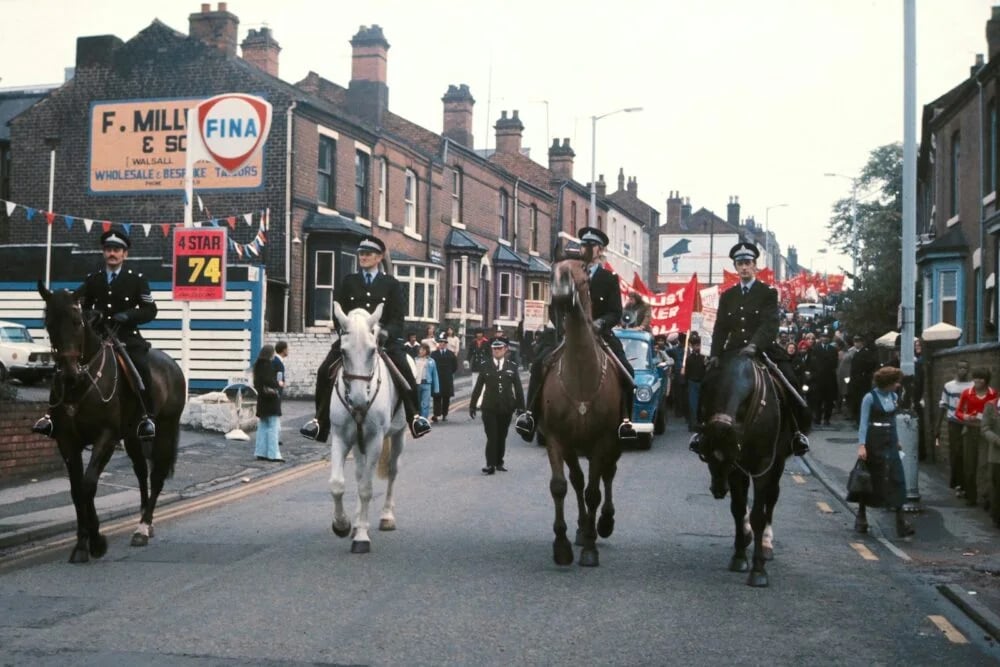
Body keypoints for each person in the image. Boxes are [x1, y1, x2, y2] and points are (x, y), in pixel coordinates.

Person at [299, 235, 432, 441]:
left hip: (384, 342)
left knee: (404, 370)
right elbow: (338, 313)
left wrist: (387, 333)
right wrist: (344, 332)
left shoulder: (391, 284)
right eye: (361, 253)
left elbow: (397, 318)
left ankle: (414, 417)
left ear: (379, 257)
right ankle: (319, 422)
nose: (363, 257)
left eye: (368, 254)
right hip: (354, 340)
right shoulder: (349, 281)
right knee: (324, 370)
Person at [33, 229, 157, 442]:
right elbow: (82, 306)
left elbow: (150, 309)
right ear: (103, 253)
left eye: (117, 250)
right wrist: (93, 314)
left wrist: (128, 315)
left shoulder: (136, 279)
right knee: (64, 365)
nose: (112, 254)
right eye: (109, 249)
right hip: (96, 335)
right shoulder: (93, 279)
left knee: (140, 367)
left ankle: (146, 417)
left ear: (124, 255)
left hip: (126, 336)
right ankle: (51, 416)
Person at [516, 226, 637, 441]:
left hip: (600, 334)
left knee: (627, 370)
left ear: (600, 251)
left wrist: (600, 323)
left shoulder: (609, 278)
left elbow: (616, 312)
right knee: (538, 365)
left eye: (591, 246)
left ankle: (625, 421)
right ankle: (530, 416)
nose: (587, 249)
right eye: (584, 245)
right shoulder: (567, 272)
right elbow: (554, 307)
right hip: (567, 333)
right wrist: (564, 327)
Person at [689, 242, 810, 457]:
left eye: (748, 263)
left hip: (763, 350)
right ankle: (702, 431)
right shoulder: (728, 295)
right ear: (735, 267)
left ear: (755, 266)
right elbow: (721, 327)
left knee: (790, 379)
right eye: (740, 264)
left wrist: (755, 345)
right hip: (733, 351)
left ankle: (797, 433)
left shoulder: (767, 293)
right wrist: (715, 354)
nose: (744, 268)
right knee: (708, 381)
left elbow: (769, 324)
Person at [854, 366, 914, 538]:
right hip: (874, 441)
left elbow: (893, 421)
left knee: (897, 478)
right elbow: (863, 423)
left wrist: (897, 440)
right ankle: (861, 515)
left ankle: (901, 521)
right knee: (870, 478)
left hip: (890, 441)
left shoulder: (894, 397)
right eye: (895, 382)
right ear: (887, 383)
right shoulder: (869, 398)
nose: (897, 385)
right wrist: (862, 445)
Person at [470, 336, 525, 475]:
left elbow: (518, 388)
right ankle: (490, 464)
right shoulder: (485, 365)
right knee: (492, 436)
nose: (497, 351)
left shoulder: (512, 367)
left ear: (505, 349)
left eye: (500, 348)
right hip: (489, 407)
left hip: (506, 407)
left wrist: (521, 408)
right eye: (495, 348)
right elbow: (478, 388)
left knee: (502, 435)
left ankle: (499, 461)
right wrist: (472, 405)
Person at [955, 367, 999, 509]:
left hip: (985, 432)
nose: (978, 381)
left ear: (986, 380)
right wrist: (966, 416)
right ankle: (971, 496)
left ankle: (986, 497)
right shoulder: (967, 393)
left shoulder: (993, 394)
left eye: (981, 378)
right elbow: (958, 412)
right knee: (969, 464)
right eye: (976, 377)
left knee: (985, 465)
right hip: (970, 430)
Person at [936, 360, 973, 496]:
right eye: (960, 367)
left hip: (968, 422)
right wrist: (938, 426)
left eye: (965, 368)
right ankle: (957, 483)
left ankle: (966, 485)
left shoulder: (972, 386)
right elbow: (943, 405)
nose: (963, 370)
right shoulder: (949, 386)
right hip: (954, 422)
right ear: (956, 369)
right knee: (956, 453)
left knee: (966, 453)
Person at [253, 344, 284, 463]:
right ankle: (273, 454)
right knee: (273, 428)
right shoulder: (267, 365)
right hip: (271, 400)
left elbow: (258, 383)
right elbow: (268, 380)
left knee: (263, 427)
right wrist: (278, 384)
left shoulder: (257, 365)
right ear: (270, 354)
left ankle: (260, 452)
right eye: (273, 353)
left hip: (262, 400)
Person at [808, 330, 839, 426]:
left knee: (829, 400)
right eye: (823, 336)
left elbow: (835, 363)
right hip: (818, 379)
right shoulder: (815, 349)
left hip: (829, 378)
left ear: (829, 338)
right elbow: (812, 364)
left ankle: (827, 419)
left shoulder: (833, 349)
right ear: (821, 338)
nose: (825, 338)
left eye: (826, 337)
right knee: (818, 400)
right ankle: (817, 418)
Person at [979, 391, 1000, 528]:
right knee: (997, 486)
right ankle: (997, 517)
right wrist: (997, 440)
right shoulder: (991, 406)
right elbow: (985, 428)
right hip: (997, 455)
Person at [848, 334, 878, 424]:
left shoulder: (865, 353)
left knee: (861, 399)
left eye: (858, 342)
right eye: (855, 342)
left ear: (862, 343)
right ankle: (857, 417)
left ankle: (860, 419)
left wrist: (865, 374)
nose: (856, 344)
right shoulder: (857, 353)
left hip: (862, 380)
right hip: (855, 380)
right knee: (856, 399)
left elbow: (871, 364)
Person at [431, 332, 458, 422]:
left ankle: (444, 414)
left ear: (446, 344)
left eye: (444, 342)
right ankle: (436, 414)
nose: (442, 344)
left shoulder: (451, 354)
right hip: (437, 378)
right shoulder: (434, 354)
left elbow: (455, 366)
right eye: (440, 342)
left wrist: (449, 373)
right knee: (437, 397)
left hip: (447, 378)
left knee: (446, 397)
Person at [684, 331, 707, 432]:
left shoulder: (705, 358)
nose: (697, 347)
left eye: (698, 345)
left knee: (702, 405)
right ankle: (692, 424)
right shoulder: (689, 359)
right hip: (692, 383)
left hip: (702, 383)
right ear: (692, 346)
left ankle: (701, 423)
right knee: (692, 405)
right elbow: (687, 373)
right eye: (695, 345)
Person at [467, 328, 492, 411]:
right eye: (477, 333)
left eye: (480, 333)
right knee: (475, 385)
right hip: (475, 366)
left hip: (484, 366)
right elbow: (470, 353)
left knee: (483, 386)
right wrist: (467, 360)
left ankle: (481, 403)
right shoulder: (473, 342)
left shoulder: (486, 342)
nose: (479, 335)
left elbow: (489, 355)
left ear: (483, 334)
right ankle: (475, 402)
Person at [413, 342, 439, 419]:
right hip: (417, 384)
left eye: (423, 350)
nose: (421, 351)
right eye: (420, 349)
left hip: (427, 384)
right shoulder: (415, 360)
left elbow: (435, 375)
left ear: (427, 351)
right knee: (417, 403)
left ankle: (424, 419)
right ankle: (418, 419)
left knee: (425, 404)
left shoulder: (431, 361)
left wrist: (436, 388)